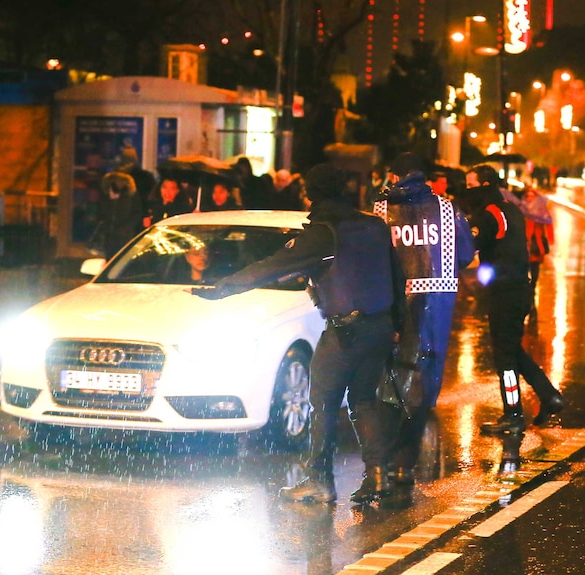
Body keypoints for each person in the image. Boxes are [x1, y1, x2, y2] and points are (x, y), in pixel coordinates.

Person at [193, 163, 403, 504]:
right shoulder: (373, 225)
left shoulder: (323, 233)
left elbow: (272, 266)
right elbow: (396, 274)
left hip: (345, 331)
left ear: (311, 193)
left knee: (322, 403)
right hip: (379, 326)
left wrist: (222, 288)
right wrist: (397, 326)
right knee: (363, 400)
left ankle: (319, 480)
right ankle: (378, 478)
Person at [373, 152, 475, 485]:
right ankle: (406, 458)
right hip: (436, 306)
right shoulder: (448, 210)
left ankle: (383, 459)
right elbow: (466, 255)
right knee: (424, 378)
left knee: (389, 379)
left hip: (392, 303)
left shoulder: (380, 211)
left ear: (395, 176)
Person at [464, 164, 565, 435]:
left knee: (505, 358)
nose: (467, 191)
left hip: (504, 294)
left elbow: (468, 247)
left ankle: (513, 414)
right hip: (519, 290)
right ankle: (549, 396)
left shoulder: (488, 214)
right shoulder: (511, 209)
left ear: (485, 186)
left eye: (471, 186)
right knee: (512, 350)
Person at [520, 187, 554, 302]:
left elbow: (548, 222)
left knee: (535, 266)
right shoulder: (522, 208)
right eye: (528, 196)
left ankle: (533, 285)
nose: (530, 198)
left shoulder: (540, 209)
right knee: (524, 265)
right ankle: (526, 286)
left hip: (536, 242)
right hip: (524, 241)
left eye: (532, 196)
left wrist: (550, 238)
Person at [98, 170, 142, 256]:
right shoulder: (107, 194)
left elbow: (136, 213)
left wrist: (128, 227)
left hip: (124, 235)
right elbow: (102, 212)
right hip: (109, 235)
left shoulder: (130, 195)